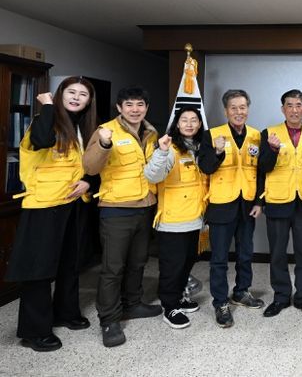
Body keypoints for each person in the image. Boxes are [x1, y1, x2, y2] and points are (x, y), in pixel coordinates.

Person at [5, 77, 97, 352]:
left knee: (70, 263)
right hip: (44, 206)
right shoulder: (43, 121)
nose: (76, 97)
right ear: (59, 94)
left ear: (89, 101)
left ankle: (65, 313)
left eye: (83, 94)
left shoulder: (82, 127)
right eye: (71, 92)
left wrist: (88, 181)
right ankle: (34, 331)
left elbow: (86, 165)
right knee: (39, 269)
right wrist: (47, 106)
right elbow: (42, 140)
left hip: (73, 203)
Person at [83, 86, 161, 347]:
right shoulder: (106, 131)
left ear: (146, 108)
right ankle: (109, 319)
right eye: (129, 104)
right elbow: (90, 167)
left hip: (145, 206)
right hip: (116, 208)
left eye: (140, 104)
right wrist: (104, 144)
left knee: (138, 262)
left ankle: (133, 303)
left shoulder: (151, 133)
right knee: (113, 267)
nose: (135, 109)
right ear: (119, 108)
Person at [197, 89, 264, 328]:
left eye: (242, 107)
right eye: (233, 108)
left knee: (245, 254)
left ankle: (241, 291)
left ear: (248, 109)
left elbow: (261, 172)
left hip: (247, 204)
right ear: (226, 111)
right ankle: (220, 302)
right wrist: (217, 152)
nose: (238, 112)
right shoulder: (212, 135)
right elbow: (205, 167)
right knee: (219, 259)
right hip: (221, 205)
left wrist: (259, 202)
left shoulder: (256, 135)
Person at [258, 89, 302, 317]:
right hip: (277, 201)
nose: (294, 110)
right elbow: (262, 168)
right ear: (282, 109)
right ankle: (281, 297)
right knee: (277, 253)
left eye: (299, 105)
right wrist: (272, 149)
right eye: (289, 105)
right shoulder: (269, 133)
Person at [144, 106, 206, 329]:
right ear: (177, 124)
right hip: (173, 221)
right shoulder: (169, 148)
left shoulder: (199, 148)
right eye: (184, 120)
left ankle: (179, 297)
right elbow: (152, 176)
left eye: (194, 120)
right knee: (172, 267)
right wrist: (161, 152)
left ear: (200, 124)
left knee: (187, 262)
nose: (189, 124)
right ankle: (169, 307)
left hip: (195, 218)